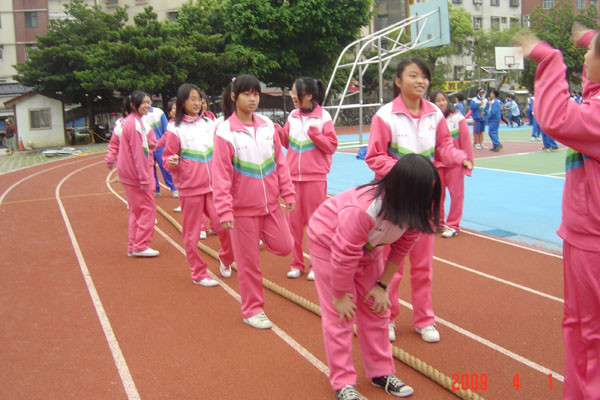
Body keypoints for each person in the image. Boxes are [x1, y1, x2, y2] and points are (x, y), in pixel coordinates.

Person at [308, 154, 441, 400]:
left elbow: (401, 248)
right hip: (328, 243)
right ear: (405, 189)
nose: (427, 200)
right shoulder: (364, 210)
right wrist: (340, 296)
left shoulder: (414, 211)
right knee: (341, 316)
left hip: (368, 247)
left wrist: (382, 286)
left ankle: (381, 373)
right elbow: (344, 256)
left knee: (377, 308)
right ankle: (343, 383)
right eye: (423, 193)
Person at [517, 22, 600, 399]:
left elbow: (555, 117)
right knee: (580, 327)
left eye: (590, 54)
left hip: (592, 241)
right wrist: (589, 40)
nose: (584, 59)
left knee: (590, 333)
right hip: (585, 234)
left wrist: (549, 58)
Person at [365, 58, 472, 343]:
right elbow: (374, 157)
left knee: (423, 265)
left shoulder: (435, 113)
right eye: (413, 75)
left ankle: (424, 319)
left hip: (425, 201)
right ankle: (387, 316)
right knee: (391, 264)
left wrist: (459, 157)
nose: (420, 81)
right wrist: (407, 174)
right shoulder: (385, 116)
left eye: (424, 76)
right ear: (398, 81)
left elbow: (444, 147)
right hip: (395, 200)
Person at [212, 74, 295, 330]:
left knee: (285, 245)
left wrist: (287, 192)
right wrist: (225, 211)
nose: (253, 99)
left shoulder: (268, 126)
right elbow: (221, 174)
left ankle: (246, 243)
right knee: (249, 264)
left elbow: (280, 162)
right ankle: (252, 309)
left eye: (256, 94)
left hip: (270, 205)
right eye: (247, 94)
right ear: (234, 97)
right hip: (242, 210)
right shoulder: (225, 131)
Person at [162, 83, 234, 286]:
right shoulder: (175, 129)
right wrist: (172, 162)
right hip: (190, 188)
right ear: (182, 102)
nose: (196, 103)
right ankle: (198, 272)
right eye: (192, 99)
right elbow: (167, 158)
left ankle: (226, 257)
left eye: (199, 99)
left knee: (224, 227)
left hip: (213, 188)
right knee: (192, 234)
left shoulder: (210, 124)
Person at [278, 76, 338, 281]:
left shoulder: (323, 117)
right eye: (292, 93)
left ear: (309, 95)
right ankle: (296, 263)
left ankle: (316, 265)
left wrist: (316, 136)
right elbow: (287, 142)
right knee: (293, 224)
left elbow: (331, 147)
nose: (293, 96)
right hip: (293, 178)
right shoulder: (293, 115)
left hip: (315, 178)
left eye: (296, 93)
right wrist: (278, 132)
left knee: (315, 224)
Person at [117, 91, 159, 257]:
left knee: (136, 210)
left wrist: (149, 144)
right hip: (135, 174)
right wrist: (144, 178)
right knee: (147, 209)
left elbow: (139, 148)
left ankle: (133, 245)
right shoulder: (135, 125)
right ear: (133, 105)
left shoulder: (133, 122)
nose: (148, 105)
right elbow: (138, 154)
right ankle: (140, 245)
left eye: (149, 102)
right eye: (144, 102)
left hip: (129, 173)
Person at [429, 90, 474, 238]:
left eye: (444, 100)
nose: (442, 103)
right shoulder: (430, 120)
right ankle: (437, 222)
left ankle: (453, 225)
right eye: (438, 101)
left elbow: (465, 141)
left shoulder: (457, 118)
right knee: (437, 195)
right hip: (437, 165)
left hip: (455, 164)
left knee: (456, 195)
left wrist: (467, 161)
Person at [143, 103, 178, 198]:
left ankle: (174, 188)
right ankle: (155, 189)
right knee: (151, 169)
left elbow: (166, 131)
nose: (145, 103)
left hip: (160, 146)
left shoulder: (158, 112)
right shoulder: (140, 115)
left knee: (166, 168)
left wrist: (160, 144)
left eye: (147, 101)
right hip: (147, 147)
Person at [105, 96, 131, 169]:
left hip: (141, 163)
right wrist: (110, 159)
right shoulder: (119, 124)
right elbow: (114, 144)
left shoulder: (144, 122)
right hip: (125, 162)